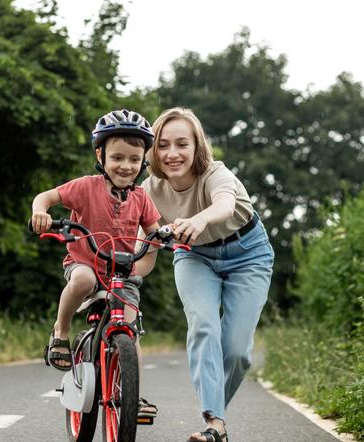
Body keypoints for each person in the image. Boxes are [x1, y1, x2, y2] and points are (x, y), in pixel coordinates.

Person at [138, 107, 274, 442]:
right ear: (153, 150)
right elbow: (147, 247)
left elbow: (225, 206)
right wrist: (125, 277)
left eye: (182, 144)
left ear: (197, 146)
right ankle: (214, 424)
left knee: (237, 352)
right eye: (164, 145)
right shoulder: (149, 190)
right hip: (193, 256)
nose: (173, 154)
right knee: (203, 326)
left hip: (248, 255)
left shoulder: (217, 174)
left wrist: (199, 220)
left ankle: (216, 419)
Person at [30, 109, 162, 418]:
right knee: (84, 280)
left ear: (143, 161)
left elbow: (156, 229)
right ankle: (60, 333)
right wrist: (41, 212)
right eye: (117, 157)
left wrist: (166, 236)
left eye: (133, 159)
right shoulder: (85, 187)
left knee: (130, 328)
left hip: (121, 274)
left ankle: (133, 395)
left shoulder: (141, 198)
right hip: (84, 263)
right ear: (100, 156)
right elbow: (45, 197)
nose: (126, 165)